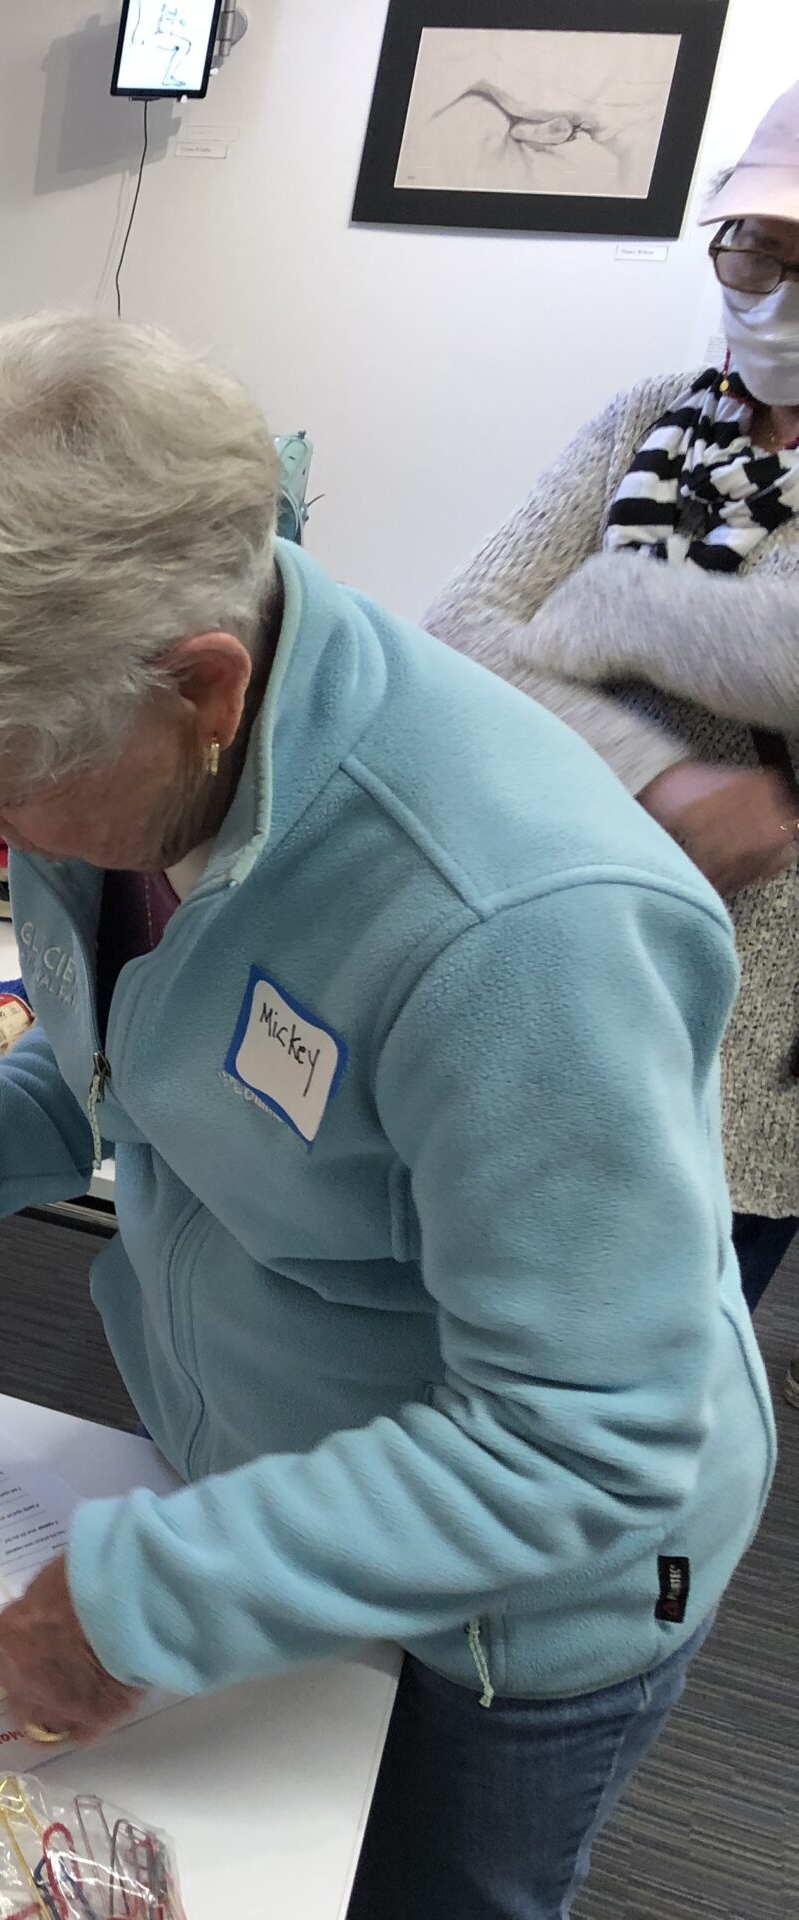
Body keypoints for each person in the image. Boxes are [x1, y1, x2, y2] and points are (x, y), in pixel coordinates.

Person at [0, 314, 773, 1920]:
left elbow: (591, 1435)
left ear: (201, 688)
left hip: (508, 1606)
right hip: (271, 1479)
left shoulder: (522, 925)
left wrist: (164, 1591)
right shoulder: (133, 736)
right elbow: (140, 1064)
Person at [430, 82, 799, 1362]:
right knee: (500, 1317)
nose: (774, 296)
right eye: (754, 252)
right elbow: (463, 631)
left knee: (668, 1361)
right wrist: (660, 776)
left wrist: (612, 600)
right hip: (575, 932)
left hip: (763, 1027)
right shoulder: (653, 415)